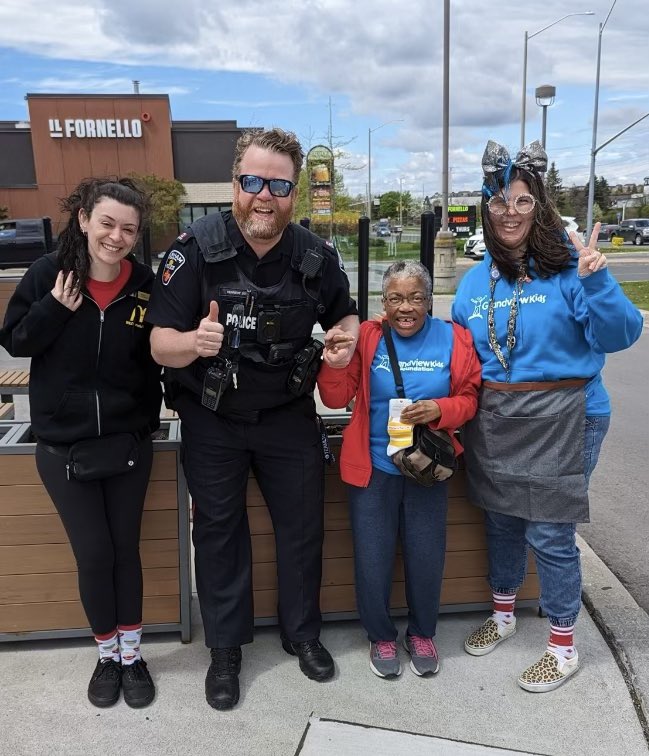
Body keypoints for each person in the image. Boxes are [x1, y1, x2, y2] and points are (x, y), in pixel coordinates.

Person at [145, 127, 359, 711]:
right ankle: (226, 650)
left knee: (302, 528)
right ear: (236, 182)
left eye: (280, 185)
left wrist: (343, 343)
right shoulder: (192, 251)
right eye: (253, 181)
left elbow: (348, 318)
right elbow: (159, 343)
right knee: (218, 534)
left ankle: (302, 635)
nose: (265, 196)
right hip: (213, 415)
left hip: (288, 415)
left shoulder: (315, 256)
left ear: (293, 192)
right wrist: (195, 341)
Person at [452, 140, 644, 693]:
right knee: (501, 520)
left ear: (539, 204)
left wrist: (596, 281)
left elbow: (621, 334)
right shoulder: (472, 282)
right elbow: (465, 359)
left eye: (522, 201)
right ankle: (505, 613)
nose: (509, 212)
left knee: (550, 532)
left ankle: (563, 646)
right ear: (487, 210)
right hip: (497, 419)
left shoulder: (568, 269)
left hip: (568, 413)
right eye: (498, 202)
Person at [0, 178, 162, 708]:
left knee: (125, 552)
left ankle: (134, 657)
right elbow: (16, 341)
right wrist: (53, 308)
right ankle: (106, 656)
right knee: (93, 554)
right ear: (85, 219)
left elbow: (154, 352)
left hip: (128, 444)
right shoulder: (50, 273)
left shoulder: (144, 282)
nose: (117, 237)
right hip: (62, 448)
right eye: (108, 223)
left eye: (129, 229)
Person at [317, 261, 481, 679]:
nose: (405, 307)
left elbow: (470, 397)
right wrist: (334, 364)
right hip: (373, 469)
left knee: (426, 556)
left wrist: (441, 409)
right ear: (383, 303)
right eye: (395, 298)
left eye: (415, 297)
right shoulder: (369, 337)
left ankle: (422, 633)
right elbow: (336, 399)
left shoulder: (454, 338)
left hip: (428, 469)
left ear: (428, 300)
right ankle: (381, 636)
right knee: (372, 559)